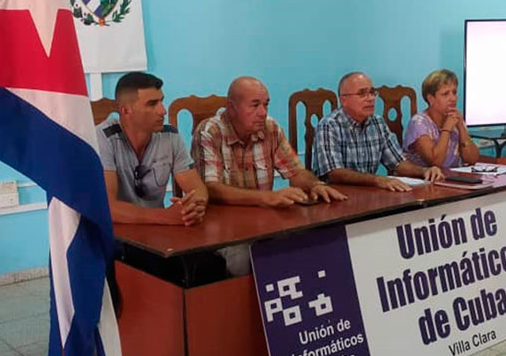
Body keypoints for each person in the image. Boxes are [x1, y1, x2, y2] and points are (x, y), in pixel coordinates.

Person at [192, 76, 347, 274]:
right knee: (242, 254)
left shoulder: (270, 127)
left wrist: (316, 185)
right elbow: (211, 189)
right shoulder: (209, 132)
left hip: (262, 221)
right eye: (254, 105)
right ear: (231, 107)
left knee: (311, 237)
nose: (262, 113)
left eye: (266, 105)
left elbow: (295, 171)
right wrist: (267, 197)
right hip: (224, 228)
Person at [97, 72, 221, 284]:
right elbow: (107, 208)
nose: (162, 111)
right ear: (126, 111)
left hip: (156, 234)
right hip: (117, 238)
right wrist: (167, 217)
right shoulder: (103, 138)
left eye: (162, 101)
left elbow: (197, 188)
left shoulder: (170, 137)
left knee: (212, 264)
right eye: (152, 104)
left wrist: (193, 206)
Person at [313, 72, 443, 191]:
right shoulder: (329, 125)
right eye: (362, 94)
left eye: (372, 92)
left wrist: (424, 171)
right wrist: (377, 180)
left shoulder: (377, 122)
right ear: (344, 100)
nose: (370, 98)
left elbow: (397, 163)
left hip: (369, 194)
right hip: (339, 196)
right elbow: (335, 174)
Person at [403, 69, 480, 169]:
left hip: (453, 178)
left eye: (454, 92)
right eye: (445, 94)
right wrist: (447, 129)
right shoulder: (418, 123)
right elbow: (435, 162)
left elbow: (472, 159)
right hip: (424, 180)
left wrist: (461, 126)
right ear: (431, 99)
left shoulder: (455, 118)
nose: (453, 98)